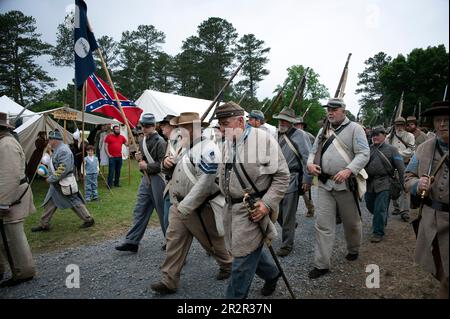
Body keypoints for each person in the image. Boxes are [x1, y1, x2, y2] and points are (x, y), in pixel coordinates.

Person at [150, 112, 232, 295]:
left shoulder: (209, 148)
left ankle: (228, 265)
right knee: (173, 241)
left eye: (186, 127)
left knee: (213, 243)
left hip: (199, 207)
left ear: (196, 128)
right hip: (178, 204)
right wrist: (166, 163)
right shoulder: (180, 145)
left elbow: (206, 181)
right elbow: (167, 169)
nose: (181, 131)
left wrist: (186, 206)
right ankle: (169, 280)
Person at [215, 102, 290, 298]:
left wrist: (266, 204)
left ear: (240, 121)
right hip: (231, 209)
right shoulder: (227, 141)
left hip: (253, 211)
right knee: (246, 251)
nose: (221, 129)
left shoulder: (263, 140)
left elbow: (282, 176)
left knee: (240, 263)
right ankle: (272, 274)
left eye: (225, 123)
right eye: (220, 124)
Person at [307, 98, 370, 279]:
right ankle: (321, 264)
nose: (330, 112)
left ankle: (353, 249)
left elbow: (364, 153)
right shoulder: (323, 130)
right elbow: (312, 152)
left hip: (346, 185)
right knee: (323, 225)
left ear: (343, 110)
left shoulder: (355, 129)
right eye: (329, 109)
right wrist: (310, 165)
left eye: (334, 109)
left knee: (351, 224)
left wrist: (349, 170)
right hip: (325, 184)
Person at [405, 100, 449, 299]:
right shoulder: (423, 149)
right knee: (441, 268)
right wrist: (417, 185)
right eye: (438, 120)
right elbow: (408, 176)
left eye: (447, 120)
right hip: (431, 220)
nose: (442, 124)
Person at [115, 114, 167, 253]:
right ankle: (132, 241)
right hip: (146, 179)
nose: (145, 128)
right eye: (143, 125)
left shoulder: (160, 141)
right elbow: (144, 161)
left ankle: (171, 241)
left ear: (154, 126)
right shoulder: (142, 139)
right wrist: (139, 158)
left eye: (148, 125)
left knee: (163, 212)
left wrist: (147, 166)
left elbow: (164, 165)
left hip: (158, 179)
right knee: (140, 209)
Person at [31, 130, 94, 232]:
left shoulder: (63, 150)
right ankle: (44, 224)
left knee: (74, 202)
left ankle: (88, 219)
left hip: (63, 182)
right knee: (50, 203)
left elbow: (62, 169)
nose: (48, 142)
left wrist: (51, 178)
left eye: (50, 140)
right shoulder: (57, 149)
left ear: (55, 140)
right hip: (57, 183)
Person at [0, 112, 36, 287]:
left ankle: (23, 271)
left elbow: (9, 175)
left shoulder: (6, 144)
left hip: (11, 196)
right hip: (9, 195)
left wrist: (3, 202)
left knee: (13, 236)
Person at [273, 107, 312, 257]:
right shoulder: (275, 135)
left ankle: (287, 244)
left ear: (291, 122)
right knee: (276, 212)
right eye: (280, 120)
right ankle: (290, 227)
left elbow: (307, 158)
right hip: (276, 178)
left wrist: (307, 179)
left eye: (285, 120)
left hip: (292, 177)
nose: (282, 122)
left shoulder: (300, 135)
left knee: (288, 213)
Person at [365, 126, 405, 242]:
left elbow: (401, 168)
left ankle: (378, 232)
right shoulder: (368, 149)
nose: (375, 137)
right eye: (373, 135)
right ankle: (382, 219)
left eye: (377, 134)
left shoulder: (392, 149)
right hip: (370, 183)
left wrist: (404, 184)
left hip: (385, 182)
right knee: (370, 205)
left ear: (384, 135)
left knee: (379, 209)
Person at [387, 117, 415, 222]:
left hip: (406, 164)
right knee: (393, 187)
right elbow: (386, 149)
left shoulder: (410, 136)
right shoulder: (389, 137)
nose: (399, 127)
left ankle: (405, 212)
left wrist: (397, 154)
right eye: (397, 125)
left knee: (406, 187)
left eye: (401, 125)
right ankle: (396, 207)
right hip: (392, 165)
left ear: (404, 125)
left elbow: (411, 150)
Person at [158, 114, 178, 238]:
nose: (161, 128)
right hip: (171, 184)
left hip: (184, 186)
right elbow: (163, 167)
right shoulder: (169, 142)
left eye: (164, 125)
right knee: (168, 220)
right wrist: (165, 163)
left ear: (172, 126)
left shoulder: (182, 142)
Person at [293, 116, 316, 217]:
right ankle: (291, 214)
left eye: (298, 124)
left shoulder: (309, 136)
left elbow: (313, 150)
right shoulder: (291, 135)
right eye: (295, 124)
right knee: (292, 193)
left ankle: (310, 209)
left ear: (302, 125)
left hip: (305, 166)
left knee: (305, 191)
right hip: (294, 167)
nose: (296, 126)